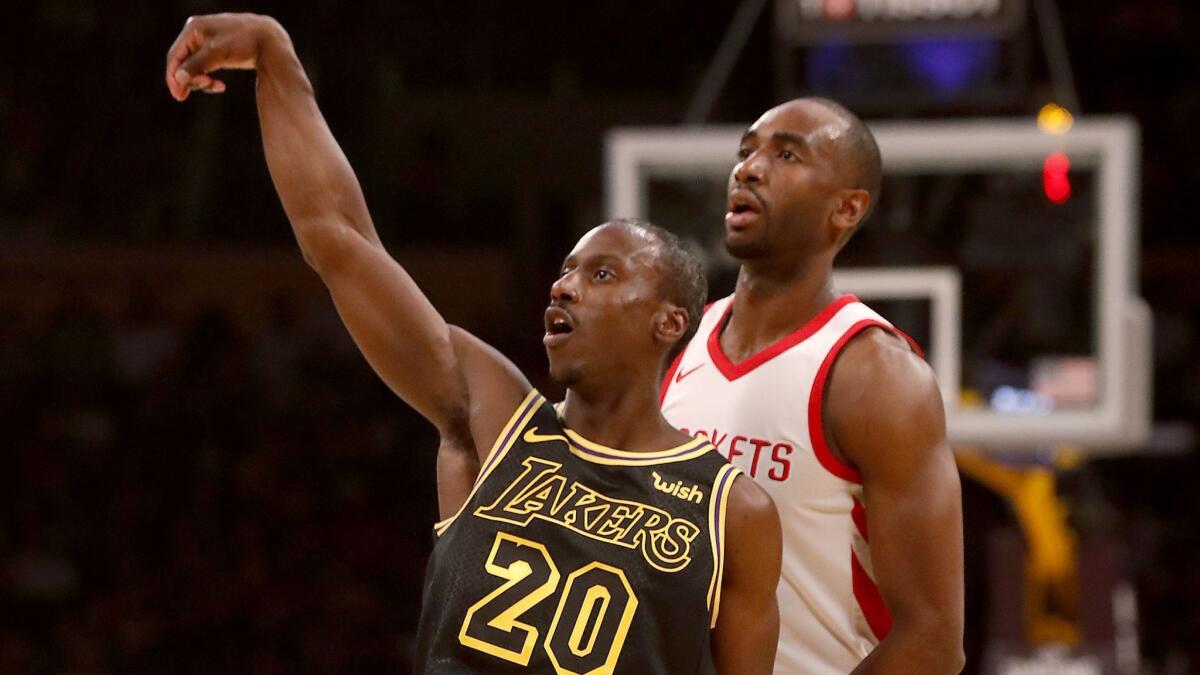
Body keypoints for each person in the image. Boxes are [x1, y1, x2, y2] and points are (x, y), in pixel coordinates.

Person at [164, 13, 782, 675]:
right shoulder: (492, 417)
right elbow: (338, 237)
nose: (565, 287)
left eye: (600, 274)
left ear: (669, 322)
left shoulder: (733, 509)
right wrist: (275, 55)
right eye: (565, 271)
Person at [660, 98, 965, 674]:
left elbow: (934, 640)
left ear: (847, 208)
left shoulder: (876, 376)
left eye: (787, 154)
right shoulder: (679, 341)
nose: (748, 168)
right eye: (746, 151)